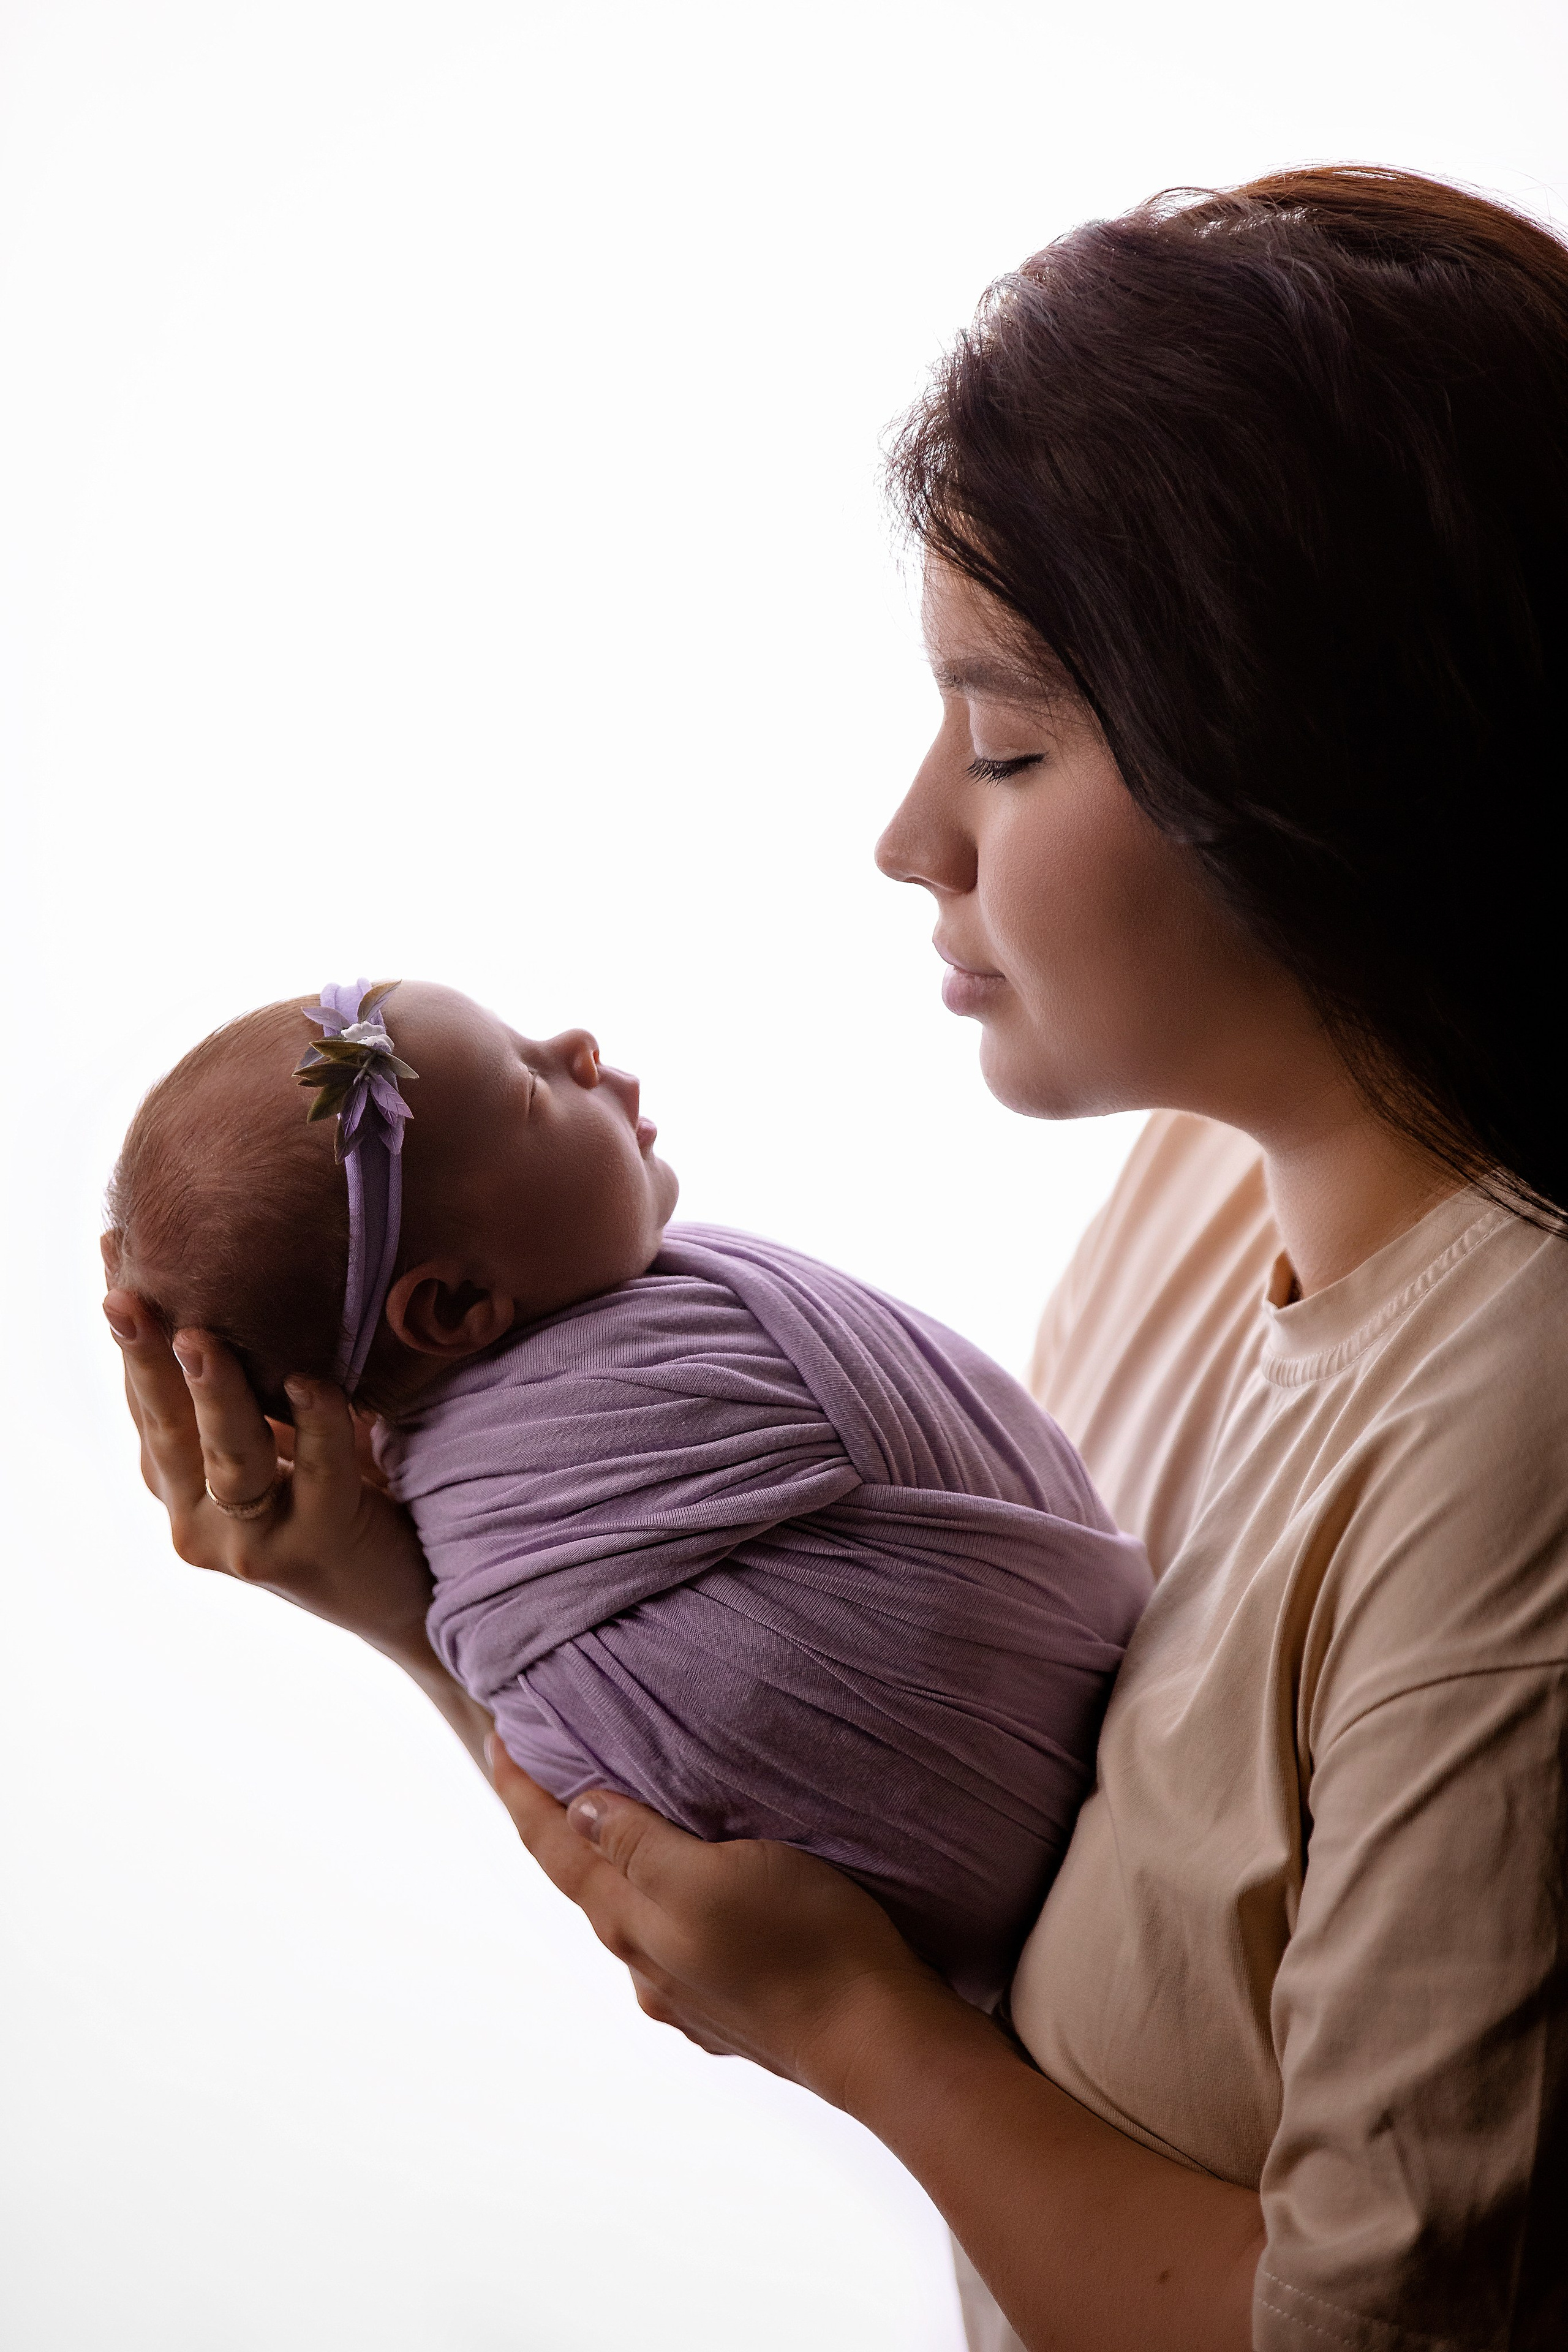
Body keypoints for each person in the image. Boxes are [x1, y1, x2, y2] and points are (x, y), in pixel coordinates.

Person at [105, 163, 1568, 2351]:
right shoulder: (1196, 1204)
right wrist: (418, 1613)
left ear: (1309, 767)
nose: (909, 836)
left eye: (1006, 742)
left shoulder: (1518, 1446)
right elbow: (904, 1806)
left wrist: (861, 2041)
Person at [103, 978, 1148, 2007]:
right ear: (458, 1303)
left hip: (985, 1950)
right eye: (528, 1088)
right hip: (1058, 1814)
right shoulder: (660, 1376)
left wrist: (413, 1620)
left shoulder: (482, 1549)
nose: (577, 1046)